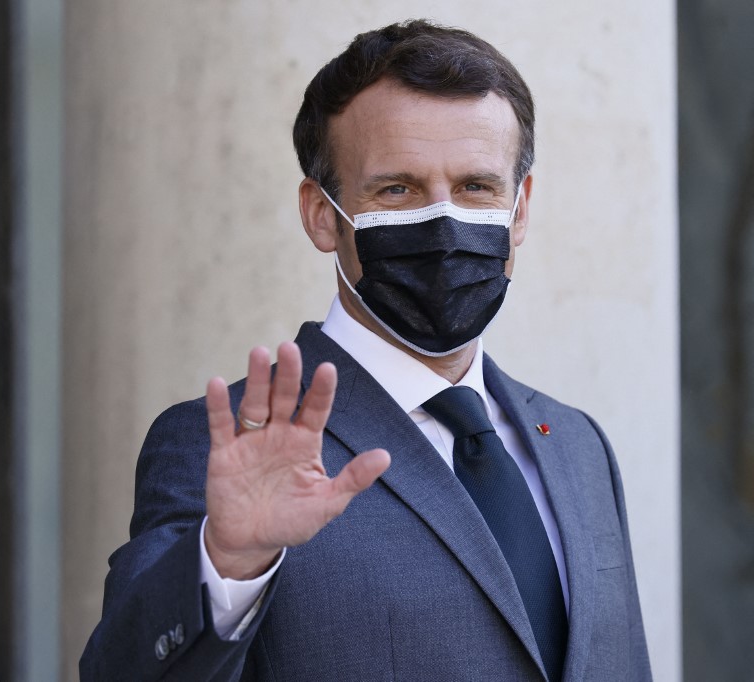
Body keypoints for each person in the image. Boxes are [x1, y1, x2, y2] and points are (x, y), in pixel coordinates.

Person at [80, 19, 651, 681]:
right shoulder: (227, 444)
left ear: (519, 208)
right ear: (322, 214)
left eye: (476, 187)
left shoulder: (578, 444)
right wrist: (227, 566)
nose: (444, 224)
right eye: (396, 189)